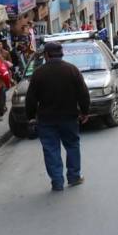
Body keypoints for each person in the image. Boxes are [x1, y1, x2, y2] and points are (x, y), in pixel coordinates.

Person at [25, 42, 90, 191]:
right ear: (61, 54)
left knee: (50, 149)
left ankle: (57, 181)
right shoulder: (72, 70)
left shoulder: (39, 73)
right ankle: (74, 177)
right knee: (72, 145)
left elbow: (31, 98)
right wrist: (85, 112)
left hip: (46, 119)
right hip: (69, 117)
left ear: (46, 55)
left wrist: (30, 116)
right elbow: (83, 93)